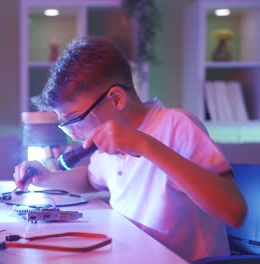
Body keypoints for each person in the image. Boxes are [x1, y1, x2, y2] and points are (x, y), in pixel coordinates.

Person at [13, 36, 247, 262]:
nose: (73, 134)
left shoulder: (176, 125)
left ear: (115, 99)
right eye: (65, 125)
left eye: (75, 120)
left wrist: (143, 144)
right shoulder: (108, 143)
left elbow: (234, 211)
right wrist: (47, 178)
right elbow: (91, 180)